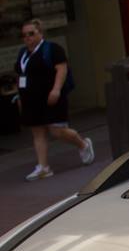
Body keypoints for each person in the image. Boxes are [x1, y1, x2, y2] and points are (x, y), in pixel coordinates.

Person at [14, 19, 93, 180]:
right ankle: (43, 167)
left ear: (40, 33)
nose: (27, 37)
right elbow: (21, 75)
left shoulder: (52, 49)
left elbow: (61, 69)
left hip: (50, 96)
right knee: (38, 132)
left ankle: (83, 144)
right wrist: (19, 96)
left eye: (31, 34)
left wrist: (56, 89)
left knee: (57, 130)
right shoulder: (23, 53)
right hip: (31, 100)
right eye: (24, 35)